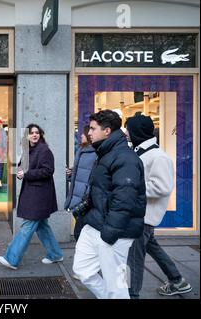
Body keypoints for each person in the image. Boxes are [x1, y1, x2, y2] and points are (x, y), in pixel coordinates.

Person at [72, 110, 146, 299]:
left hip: (114, 230)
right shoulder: (105, 152)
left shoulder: (124, 157)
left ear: (107, 131)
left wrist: (110, 232)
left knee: (117, 285)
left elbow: (125, 199)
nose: (89, 132)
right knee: (82, 270)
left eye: (93, 129)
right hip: (97, 223)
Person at [125, 114, 192, 298]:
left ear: (137, 131)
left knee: (134, 260)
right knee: (151, 247)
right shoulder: (141, 152)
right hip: (140, 214)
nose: (126, 133)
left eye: (128, 129)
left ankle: (132, 294)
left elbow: (162, 187)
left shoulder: (158, 156)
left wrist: (129, 186)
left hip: (144, 216)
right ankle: (177, 280)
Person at [0, 124, 63, 270]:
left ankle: (11, 258)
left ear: (40, 135)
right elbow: (22, 167)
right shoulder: (28, 150)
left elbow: (48, 170)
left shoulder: (44, 150)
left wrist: (27, 174)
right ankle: (55, 254)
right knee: (42, 227)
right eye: (31, 133)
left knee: (27, 226)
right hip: (33, 193)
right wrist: (21, 171)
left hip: (39, 195)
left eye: (37, 133)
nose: (34, 135)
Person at [64, 125, 97, 241]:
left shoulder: (95, 153)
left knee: (79, 233)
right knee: (81, 232)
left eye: (84, 133)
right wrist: (70, 174)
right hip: (79, 197)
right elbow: (80, 174)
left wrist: (86, 195)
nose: (82, 135)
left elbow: (91, 176)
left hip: (85, 199)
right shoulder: (82, 150)